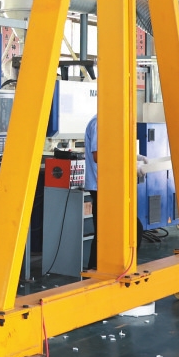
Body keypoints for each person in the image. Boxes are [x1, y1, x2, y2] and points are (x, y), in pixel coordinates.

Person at [83, 115, 98, 271]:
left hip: (106, 184)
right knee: (103, 231)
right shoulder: (99, 123)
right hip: (99, 185)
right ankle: (94, 268)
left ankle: (95, 267)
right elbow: (97, 155)